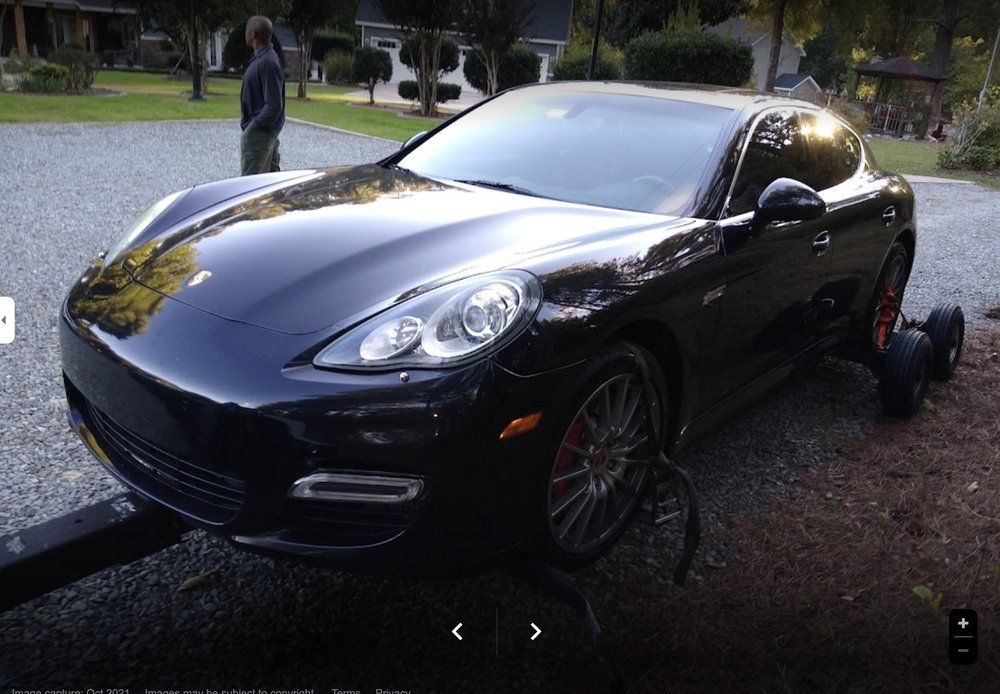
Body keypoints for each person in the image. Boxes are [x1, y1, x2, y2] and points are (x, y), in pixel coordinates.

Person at [240, 16, 285, 175]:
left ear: (252, 34)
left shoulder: (268, 62)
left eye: (246, 30)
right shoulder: (264, 59)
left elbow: (274, 105)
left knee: (251, 188)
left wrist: (252, 129)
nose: (245, 34)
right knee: (270, 186)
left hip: (260, 136)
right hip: (264, 133)